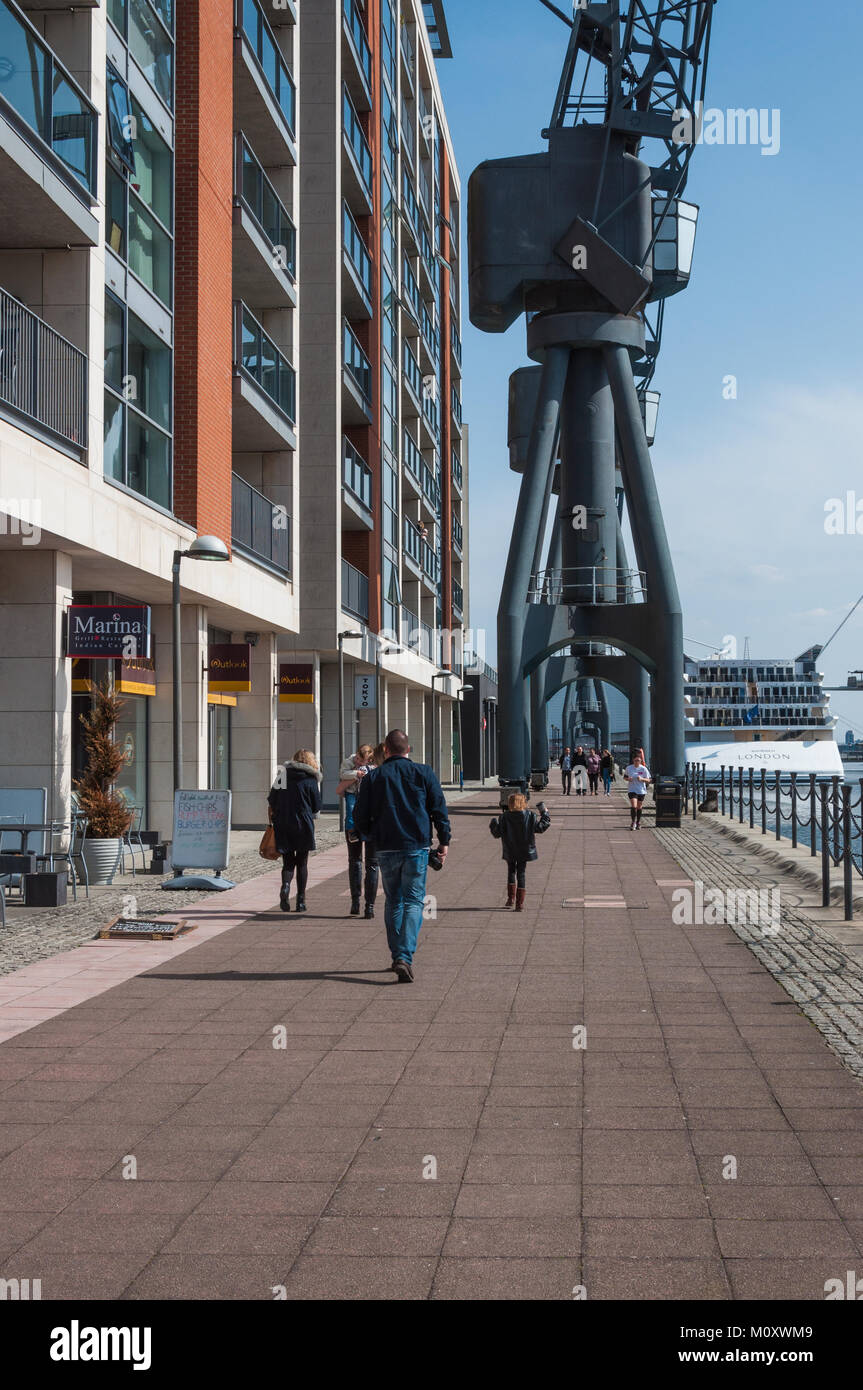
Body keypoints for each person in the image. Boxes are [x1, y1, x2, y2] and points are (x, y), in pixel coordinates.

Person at [354, 729, 451, 983]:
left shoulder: (374, 778)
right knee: (414, 900)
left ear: (385, 750)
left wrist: (367, 834)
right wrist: (444, 840)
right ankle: (404, 957)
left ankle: (398, 954)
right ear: (408, 749)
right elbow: (439, 808)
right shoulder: (424, 772)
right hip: (415, 845)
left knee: (393, 900)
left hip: (385, 846)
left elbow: (360, 814)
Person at [267, 749, 323, 912]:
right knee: (302, 863)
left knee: (288, 861)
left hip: (283, 822)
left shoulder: (282, 775)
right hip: (303, 823)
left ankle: (285, 886)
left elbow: (272, 798)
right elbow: (317, 805)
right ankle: (300, 901)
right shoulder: (311, 779)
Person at [336, 744, 379, 918]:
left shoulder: (373, 770)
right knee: (372, 865)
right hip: (372, 824)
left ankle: (356, 903)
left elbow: (339, 790)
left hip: (354, 825)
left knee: (355, 861)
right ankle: (369, 907)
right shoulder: (377, 773)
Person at [489, 793, 551, 911]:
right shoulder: (530, 815)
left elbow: (497, 833)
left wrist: (493, 823)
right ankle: (519, 904)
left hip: (510, 850)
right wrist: (545, 813)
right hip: (524, 850)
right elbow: (541, 827)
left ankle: (510, 899)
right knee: (521, 873)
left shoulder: (504, 817)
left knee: (511, 872)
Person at [624, 751, 652, 830]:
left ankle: (638, 822)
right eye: (636, 760)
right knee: (634, 805)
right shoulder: (629, 768)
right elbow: (625, 777)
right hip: (632, 789)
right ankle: (633, 822)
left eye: (638, 761)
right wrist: (628, 779)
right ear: (633, 760)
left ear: (640, 761)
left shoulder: (643, 769)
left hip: (641, 790)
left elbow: (649, 780)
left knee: (639, 807)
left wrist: (642, 779)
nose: (637, 762)